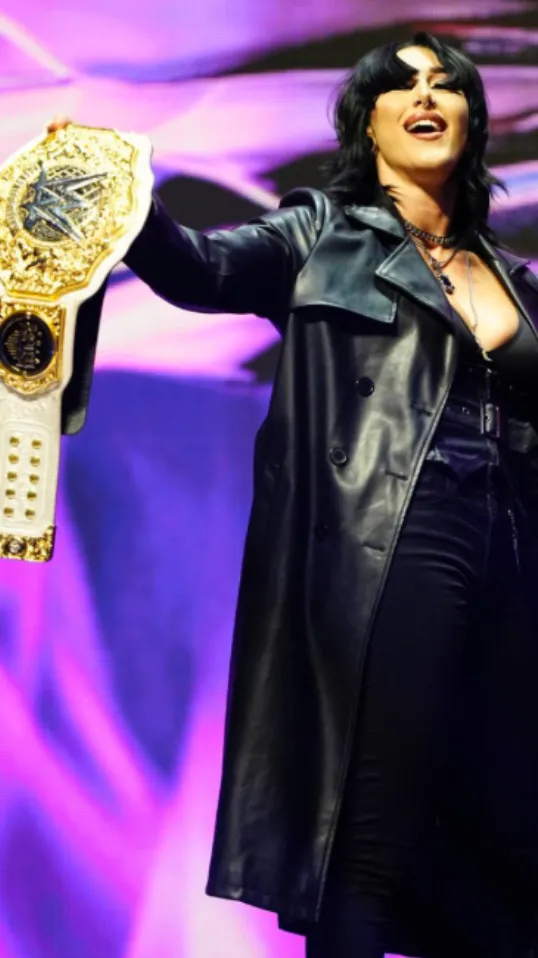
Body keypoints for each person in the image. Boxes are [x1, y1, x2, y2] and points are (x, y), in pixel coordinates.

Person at [49, 31, 538, 958]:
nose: (424, 95)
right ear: (368, 125)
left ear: (472, 121)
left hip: (513, 550)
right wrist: (113, 193)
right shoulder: (320, 235)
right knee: (376, 813)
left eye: (445, 84)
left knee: (491, 833)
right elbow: (198, 270)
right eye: (400, 85)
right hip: (397, 531)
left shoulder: (510, 276)